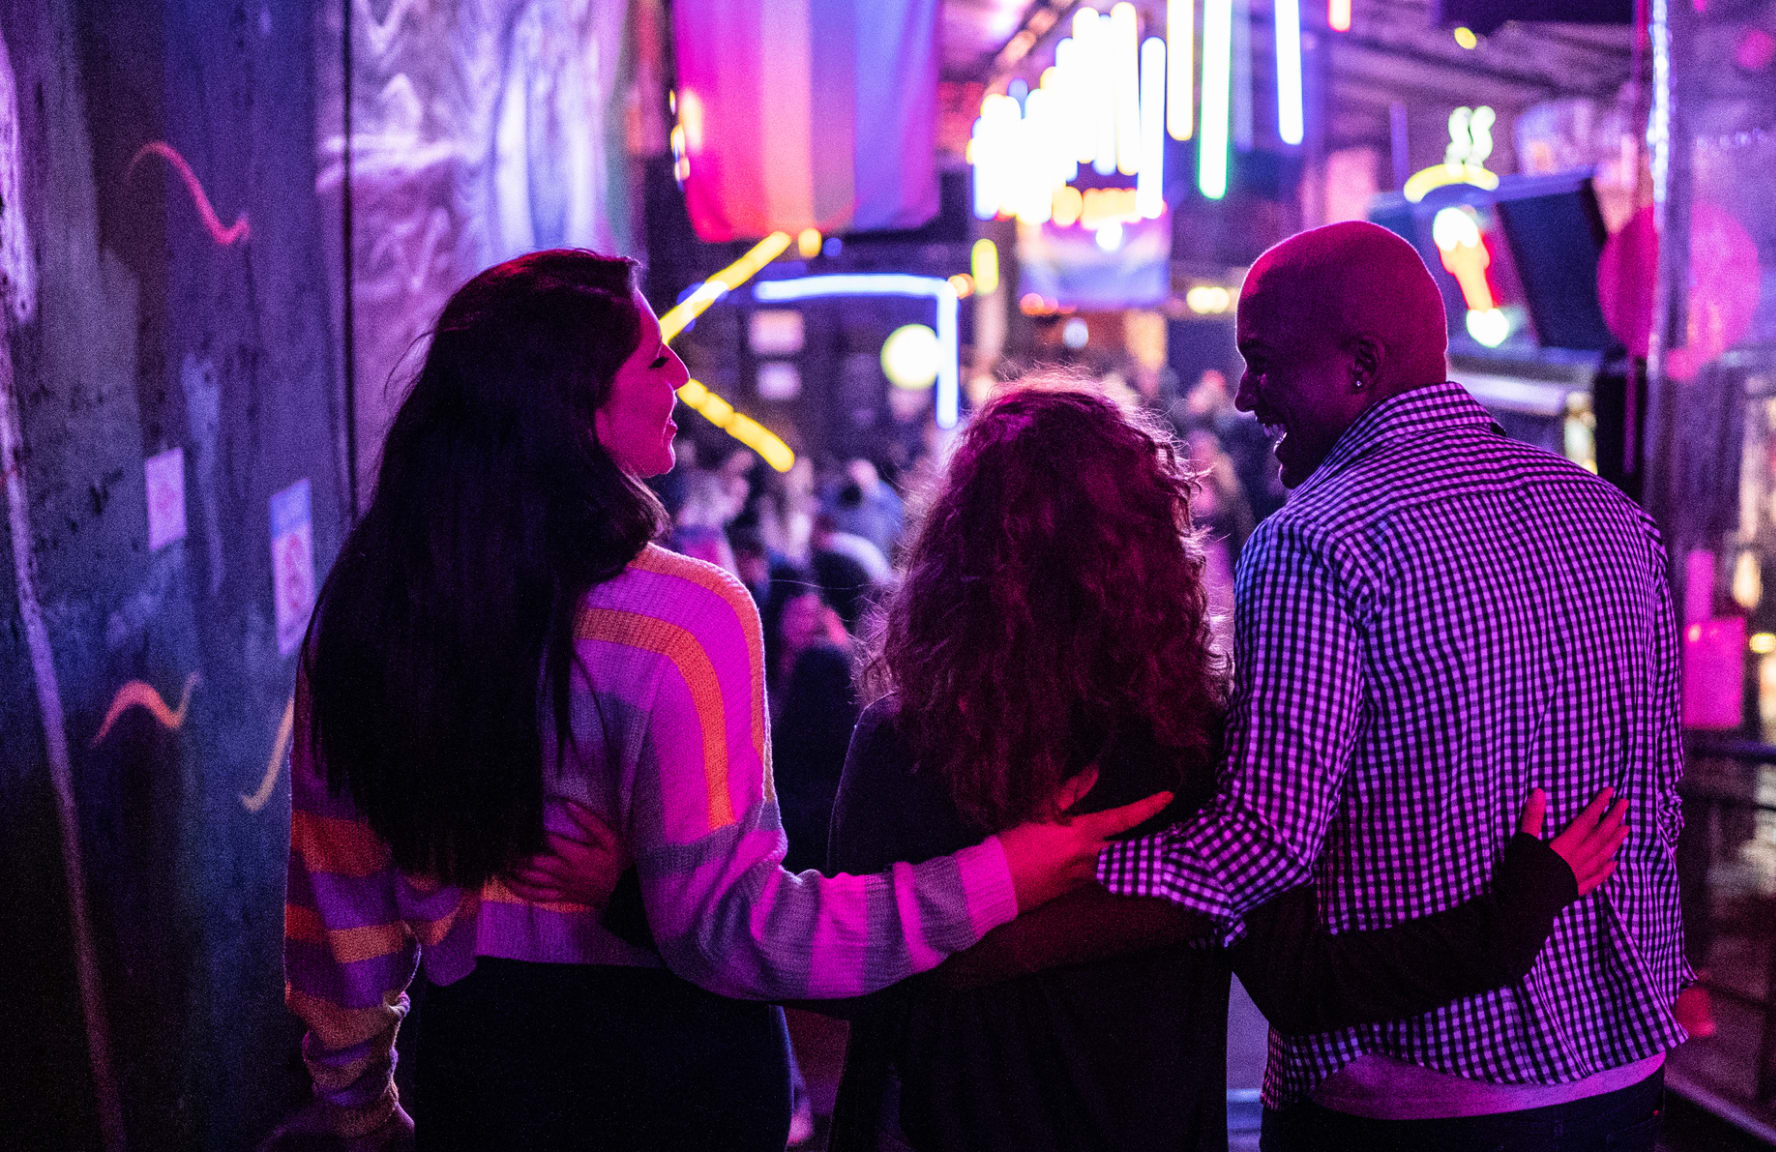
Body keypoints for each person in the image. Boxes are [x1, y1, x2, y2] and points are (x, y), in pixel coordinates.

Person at [282, 251, 1164, 1151]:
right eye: (654, 358)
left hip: (480, 1067)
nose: (682, 375)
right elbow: (735, 935)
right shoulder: (684, 619)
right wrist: (1009, 872)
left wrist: (360, 1112)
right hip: (672, 1072)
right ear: (575, 403)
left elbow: (337, 904)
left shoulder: (368, 613)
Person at [821, 382, 1630, 1152]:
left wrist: (984, 940)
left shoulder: (905, 740)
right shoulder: (1191, 744)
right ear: (1147, 547)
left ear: (956, 544)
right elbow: (1304, 985)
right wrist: (1515, 913)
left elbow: (851, 975)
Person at [1095, 222, 1691, 1151]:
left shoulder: (1317, 542)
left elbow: (1264, 841)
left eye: (1264, 362)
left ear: (1362, 366)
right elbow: (1655, 799)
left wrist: (1055, 874)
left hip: (1417, 1089)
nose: (1248, 396)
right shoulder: (1612, 517)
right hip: (1620, 1071)